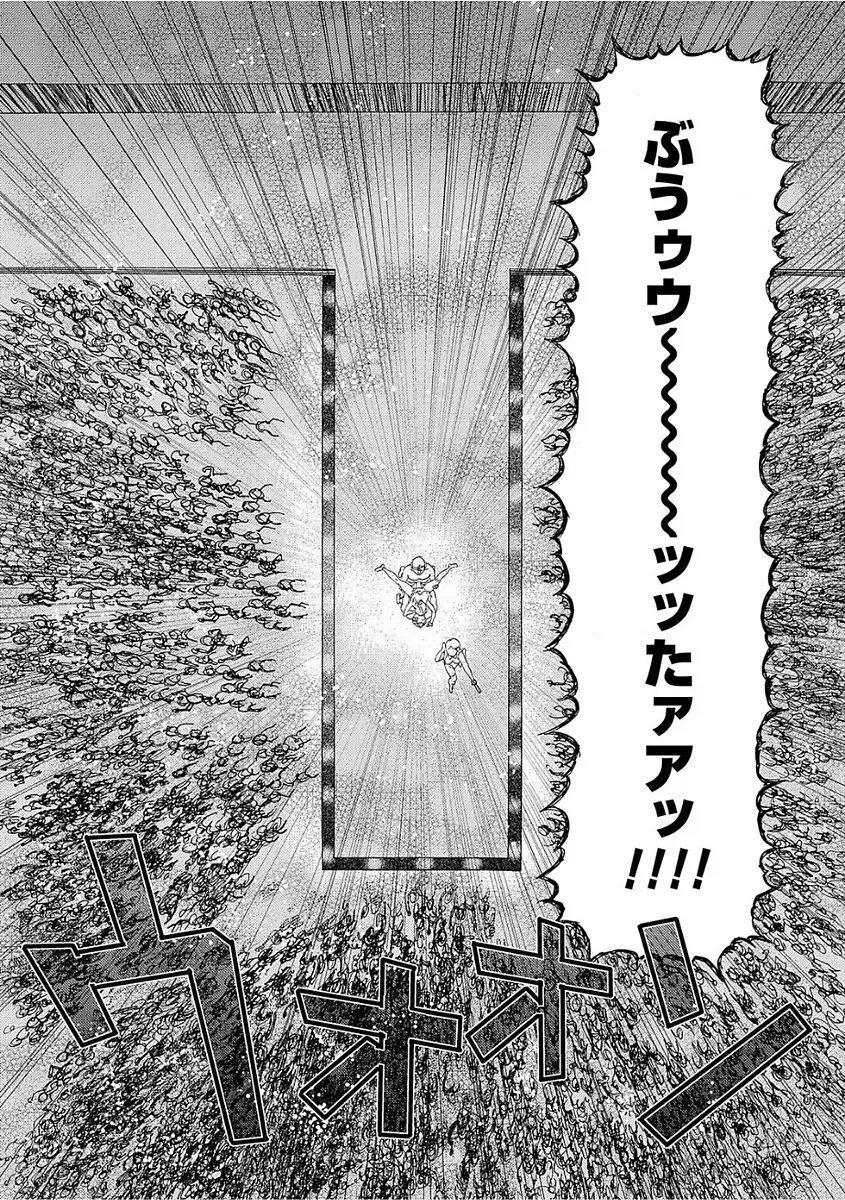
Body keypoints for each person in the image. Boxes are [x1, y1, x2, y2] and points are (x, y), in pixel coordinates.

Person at [375, 559, 457, 628]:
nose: (422, 609)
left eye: (421, 620)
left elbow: (406, 611)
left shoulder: (413, 603)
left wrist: (406, 612)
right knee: (437, 580)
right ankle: (449, 567)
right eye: (424, 619)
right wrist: (431, 621)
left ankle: (384, 569)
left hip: (412, 591)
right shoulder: (426, 604)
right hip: (425, 590)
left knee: (399, 582)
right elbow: (433, 611)